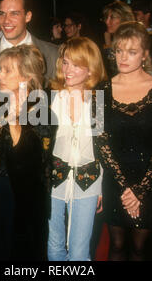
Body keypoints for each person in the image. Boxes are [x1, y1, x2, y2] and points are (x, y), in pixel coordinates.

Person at [98, 22, 152, 261]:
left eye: (131, 52)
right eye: (119, 50)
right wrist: (124, 188)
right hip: (115, 182)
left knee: (141, 249)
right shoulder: (100, 90)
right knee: (117, 245)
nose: (123, 57)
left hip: (150, 182)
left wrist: (139, 189)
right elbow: (100, 142)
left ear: (145, 54)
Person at [0, 44, 48, 260]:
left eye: (7, 70)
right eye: (0, 69)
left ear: (27, 75)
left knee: (20, 250)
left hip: (24, 195)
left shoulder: (40, 108)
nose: (0, 75)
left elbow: (31, 164)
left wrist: (13, 123)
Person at [47, 37, 107, 261]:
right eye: (65, 62)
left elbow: (102, 149)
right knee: (54, 245)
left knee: (80, 250)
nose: (68, 70)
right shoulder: (52, 99)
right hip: (54, 179)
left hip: (88, 181)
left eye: (76, 64)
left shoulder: (98, 102)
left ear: (91, 69)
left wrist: (101, 188)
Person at [0, 0, 58, 93]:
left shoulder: (52, 54)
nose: (6, 20)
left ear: (28, 16)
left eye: (14, 14)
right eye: (2, 13)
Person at [101, 0, 135, 78]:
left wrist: (108, 46)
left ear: (124, 19)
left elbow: (115, 71)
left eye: (112, 18)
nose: (107, 21)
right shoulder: (114, 40)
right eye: (106, 17)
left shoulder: (133, 42)